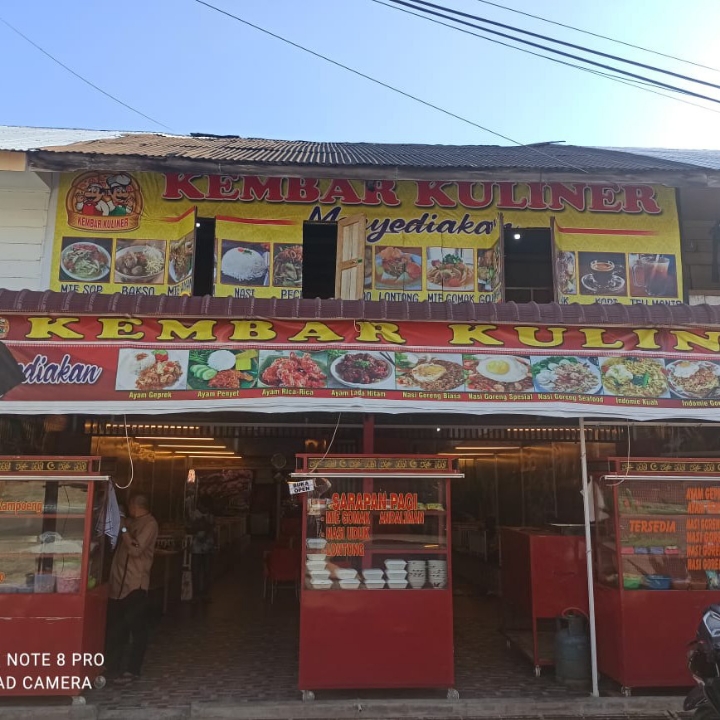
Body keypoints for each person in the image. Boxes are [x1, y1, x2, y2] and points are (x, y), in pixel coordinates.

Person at [105, 494, 158, 684]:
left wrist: (124, 528)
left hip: (135, 584)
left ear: (135, 505)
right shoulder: (131, 521)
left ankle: (132, 669)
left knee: (137, 628)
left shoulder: (149, 524)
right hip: (118, 584)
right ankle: (112, 666)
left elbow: (136, 550)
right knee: (117, 628)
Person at [189, 500, 215, 602]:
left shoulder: (207, 515)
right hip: (201, 548)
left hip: (204, 548)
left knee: (204, 571)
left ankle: (202, 593)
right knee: (200, 571)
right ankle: (199, 594)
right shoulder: (195, 515)